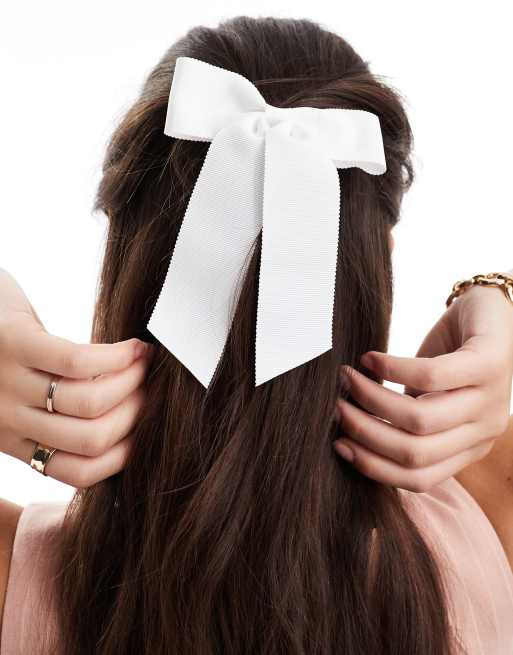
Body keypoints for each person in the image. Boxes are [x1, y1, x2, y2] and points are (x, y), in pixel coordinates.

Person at [0, 15, 512, 655]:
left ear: (125, 253)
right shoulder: (493, 499)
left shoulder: (13, 575)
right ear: (374, 260)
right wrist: (496, 297)